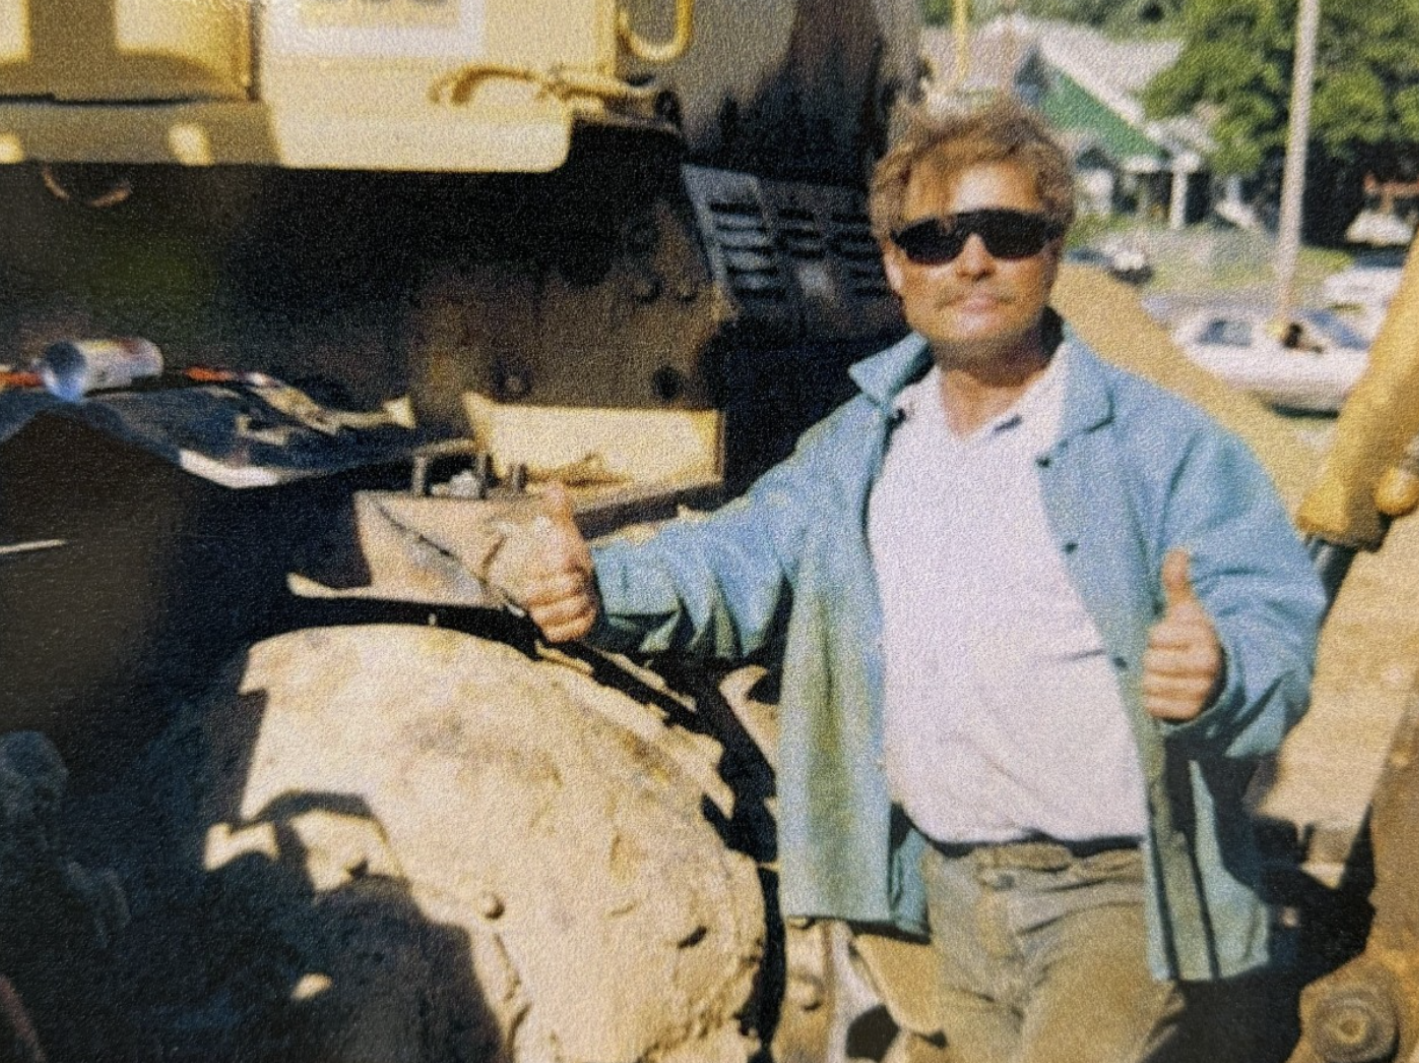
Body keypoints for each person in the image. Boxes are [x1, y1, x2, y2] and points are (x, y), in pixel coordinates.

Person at [504, 95, 1326, 1062]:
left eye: (1006, 233)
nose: (971, 261)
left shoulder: (1163, 447)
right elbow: (744, 554)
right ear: (895, 264)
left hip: (1113, 892)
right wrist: (603, 584)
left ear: (1053, 250)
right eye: (936, 238)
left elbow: (1265, 612)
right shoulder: (861, 444)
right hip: (947, 893)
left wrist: (1220, 669)